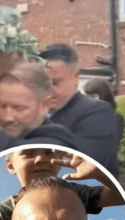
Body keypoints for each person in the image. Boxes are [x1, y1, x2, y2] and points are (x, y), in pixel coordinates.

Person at [0, 61, 82, 153]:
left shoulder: (56, 145)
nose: (7, 118)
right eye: (2, 106)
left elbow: (12, 153)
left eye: (18, 108)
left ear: (45, 104)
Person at [39, 44, 119, 175]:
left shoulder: (98, 113)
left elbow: (80, 169)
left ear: (75, 77)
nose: (47, 91)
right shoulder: (36, 116)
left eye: (55, 83)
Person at [83, 77, 125, 170]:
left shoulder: (115, 117)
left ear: (104, 96)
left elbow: (109, 147)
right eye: (88, 96)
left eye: (93, 96)